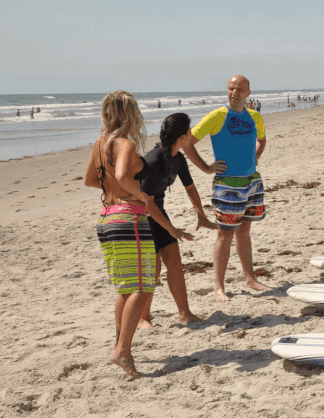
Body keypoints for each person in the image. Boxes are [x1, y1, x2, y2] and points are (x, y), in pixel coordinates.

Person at [83, 91, 194, 378]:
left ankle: (122, 347)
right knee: (144, 286)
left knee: (126, 288)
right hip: (128, 220)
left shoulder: (100, 142)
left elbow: (90, 180)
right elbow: (121, 177)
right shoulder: (126, 144)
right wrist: (139, 197)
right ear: (131, 114)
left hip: (106, 218)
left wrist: (113, 194)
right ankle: (121, 351)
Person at [182, 75, 269, 301]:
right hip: (227, 185)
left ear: (248, 93)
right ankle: (218, 287)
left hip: (252, 182)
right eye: (231, 88)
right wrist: (206, 168)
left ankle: (249, 278)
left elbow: (262, 140)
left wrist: (255, 158)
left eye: (240, 89)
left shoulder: (255, 117)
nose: (235, 92)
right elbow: (187, 143)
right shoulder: (217, 116)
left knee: (244, 232)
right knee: (224, 235)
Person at [138, 113, 220, 326]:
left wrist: (201, 215)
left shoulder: (178, 158)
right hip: (140, 216)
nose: (191, 135)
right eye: (189, 132)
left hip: (158, 212)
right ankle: (143, 318)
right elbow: (146, 203)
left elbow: (190, 188)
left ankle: (184, 313)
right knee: (153, 270)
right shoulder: (153, 161)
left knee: (174, 262)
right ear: (182, 137)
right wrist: (173, 229)